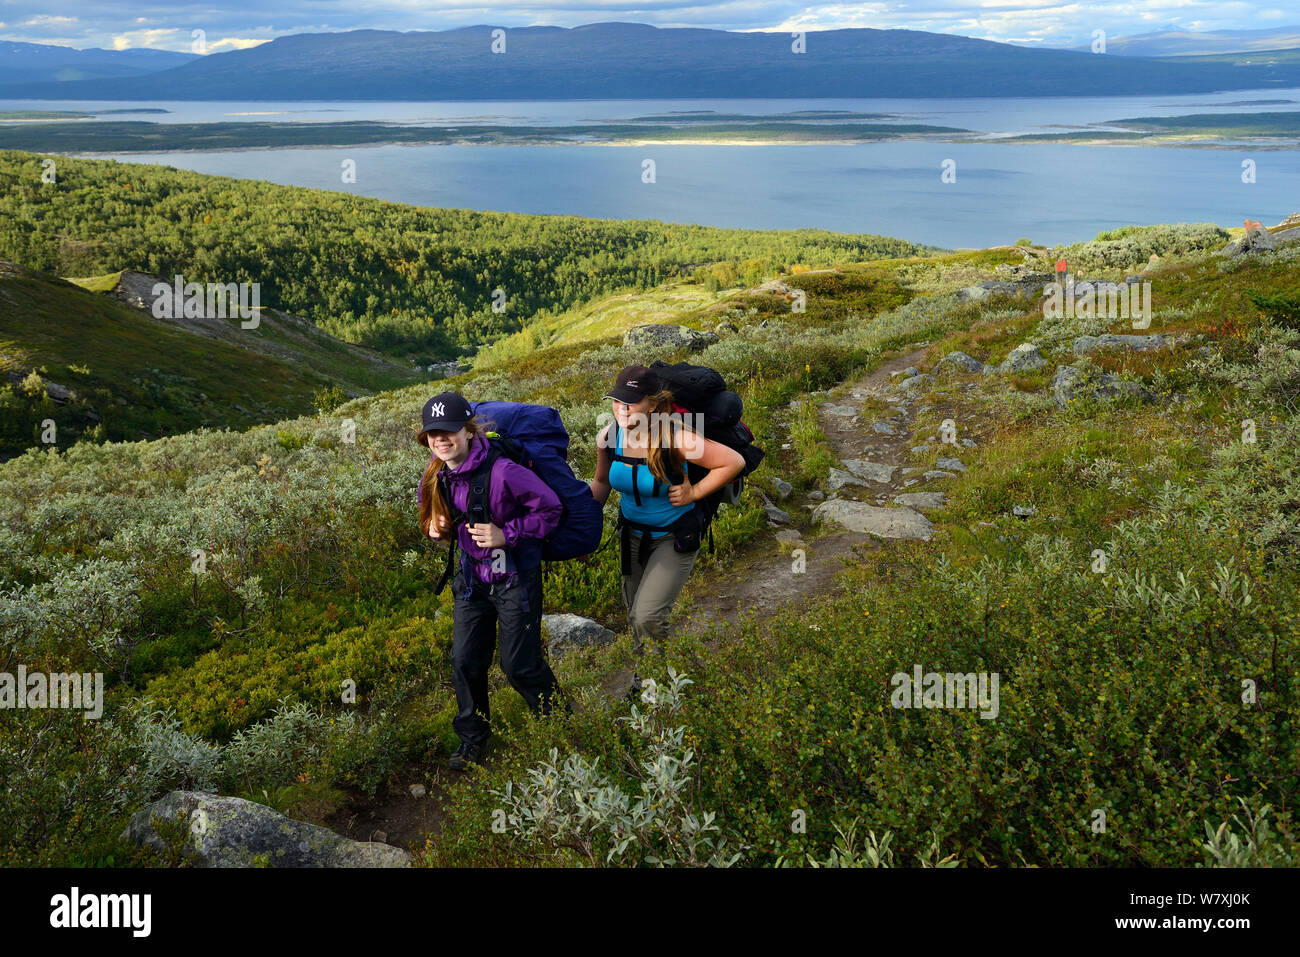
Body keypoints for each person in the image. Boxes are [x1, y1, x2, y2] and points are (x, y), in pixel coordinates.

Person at [415, 391, 568, 771]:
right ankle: (473, 738)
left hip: (515, 576)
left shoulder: (505, 471)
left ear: (468, 431)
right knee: (465, 660)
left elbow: (551, 509)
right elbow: (430, 516)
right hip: (471, 580)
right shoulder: (437, 473)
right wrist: (434, 527)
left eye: (449, 431)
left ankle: (560, 726)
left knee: (519, 665)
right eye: (433, 433)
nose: (441, 439)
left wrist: (507, 533)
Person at [588, 365, 746, 664]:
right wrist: (581, 527)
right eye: (616, 400)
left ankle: (657, 689)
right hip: (631, 536)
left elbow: (733, 462)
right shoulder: (609, 435)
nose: (621, 408)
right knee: (635, 615)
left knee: (647, 616)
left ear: (652, 403)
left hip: (674, 537)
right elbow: (601, 481)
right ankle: (645, 680)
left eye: (630, 402)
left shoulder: (675, 437)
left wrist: (694, 493)